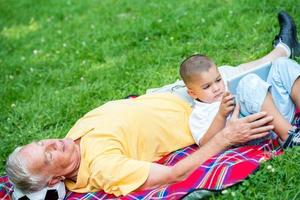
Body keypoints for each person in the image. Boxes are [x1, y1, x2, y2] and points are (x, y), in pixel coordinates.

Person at [3, 11, 293, 197]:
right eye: (48, 156)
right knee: (246, 82)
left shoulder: (69, 142)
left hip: (164, 94)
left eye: (42, 142)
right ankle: (283, 54)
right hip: (195, 113)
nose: (53, 144)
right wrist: (226, 138)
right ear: (55, 179)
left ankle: (280, 53)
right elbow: (171, 175)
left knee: (228, 71)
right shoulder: (103, 168)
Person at [150, 11, 300, 148]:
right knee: (248, 83)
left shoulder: (228, 86)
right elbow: (205, 144)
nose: (216, 88)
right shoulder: (199, 114)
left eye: (218, 80)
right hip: (261, 131)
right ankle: (288, 137)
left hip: (279, 115)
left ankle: (289, 128)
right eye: (206, 87)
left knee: (281, 64)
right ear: (192, 93)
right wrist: (221, 115)